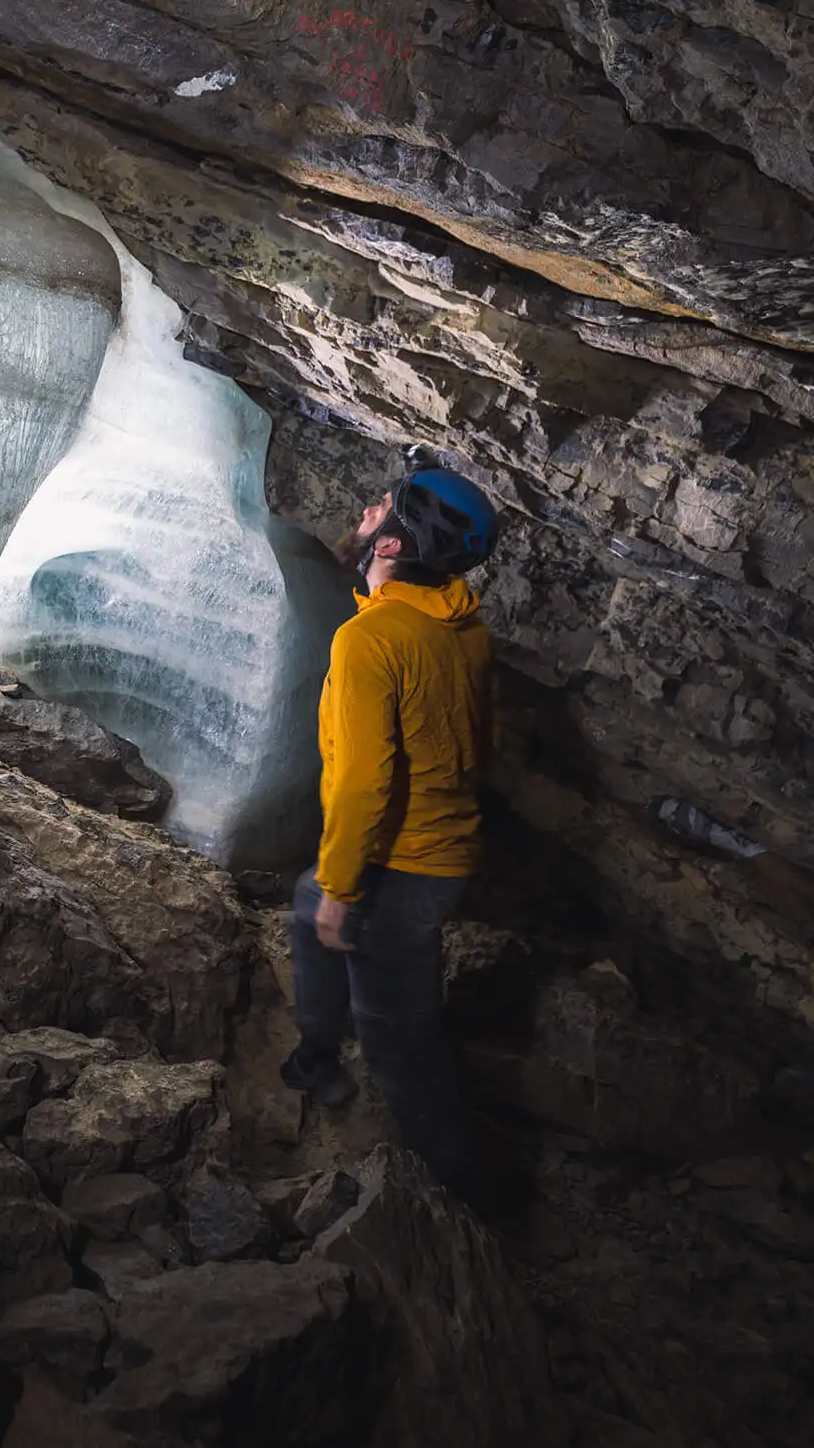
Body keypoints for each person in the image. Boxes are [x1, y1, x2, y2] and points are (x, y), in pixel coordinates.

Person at [281, 457, 501, 1206]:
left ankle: (466, 1197)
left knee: (400, 1042)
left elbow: (363, 782)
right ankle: (316, 1052)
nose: (370, 507)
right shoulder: (459, 623)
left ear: (393, 547)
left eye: (382, 508)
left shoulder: (369, 643)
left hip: (402, 869)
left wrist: (347, 888)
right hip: (439, 850)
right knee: (308, 910)